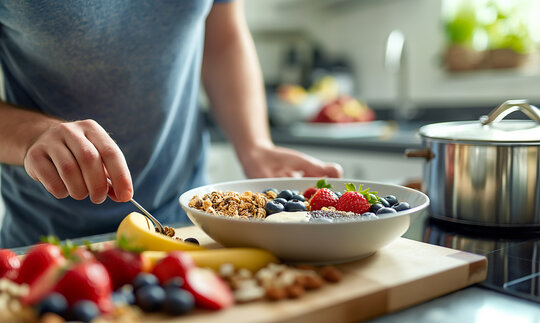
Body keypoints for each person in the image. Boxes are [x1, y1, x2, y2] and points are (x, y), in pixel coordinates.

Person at [0, 1, 342, 248]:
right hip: (43, 240)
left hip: (186, 226)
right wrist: (33, 135)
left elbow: (223, 37)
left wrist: (254, 144)